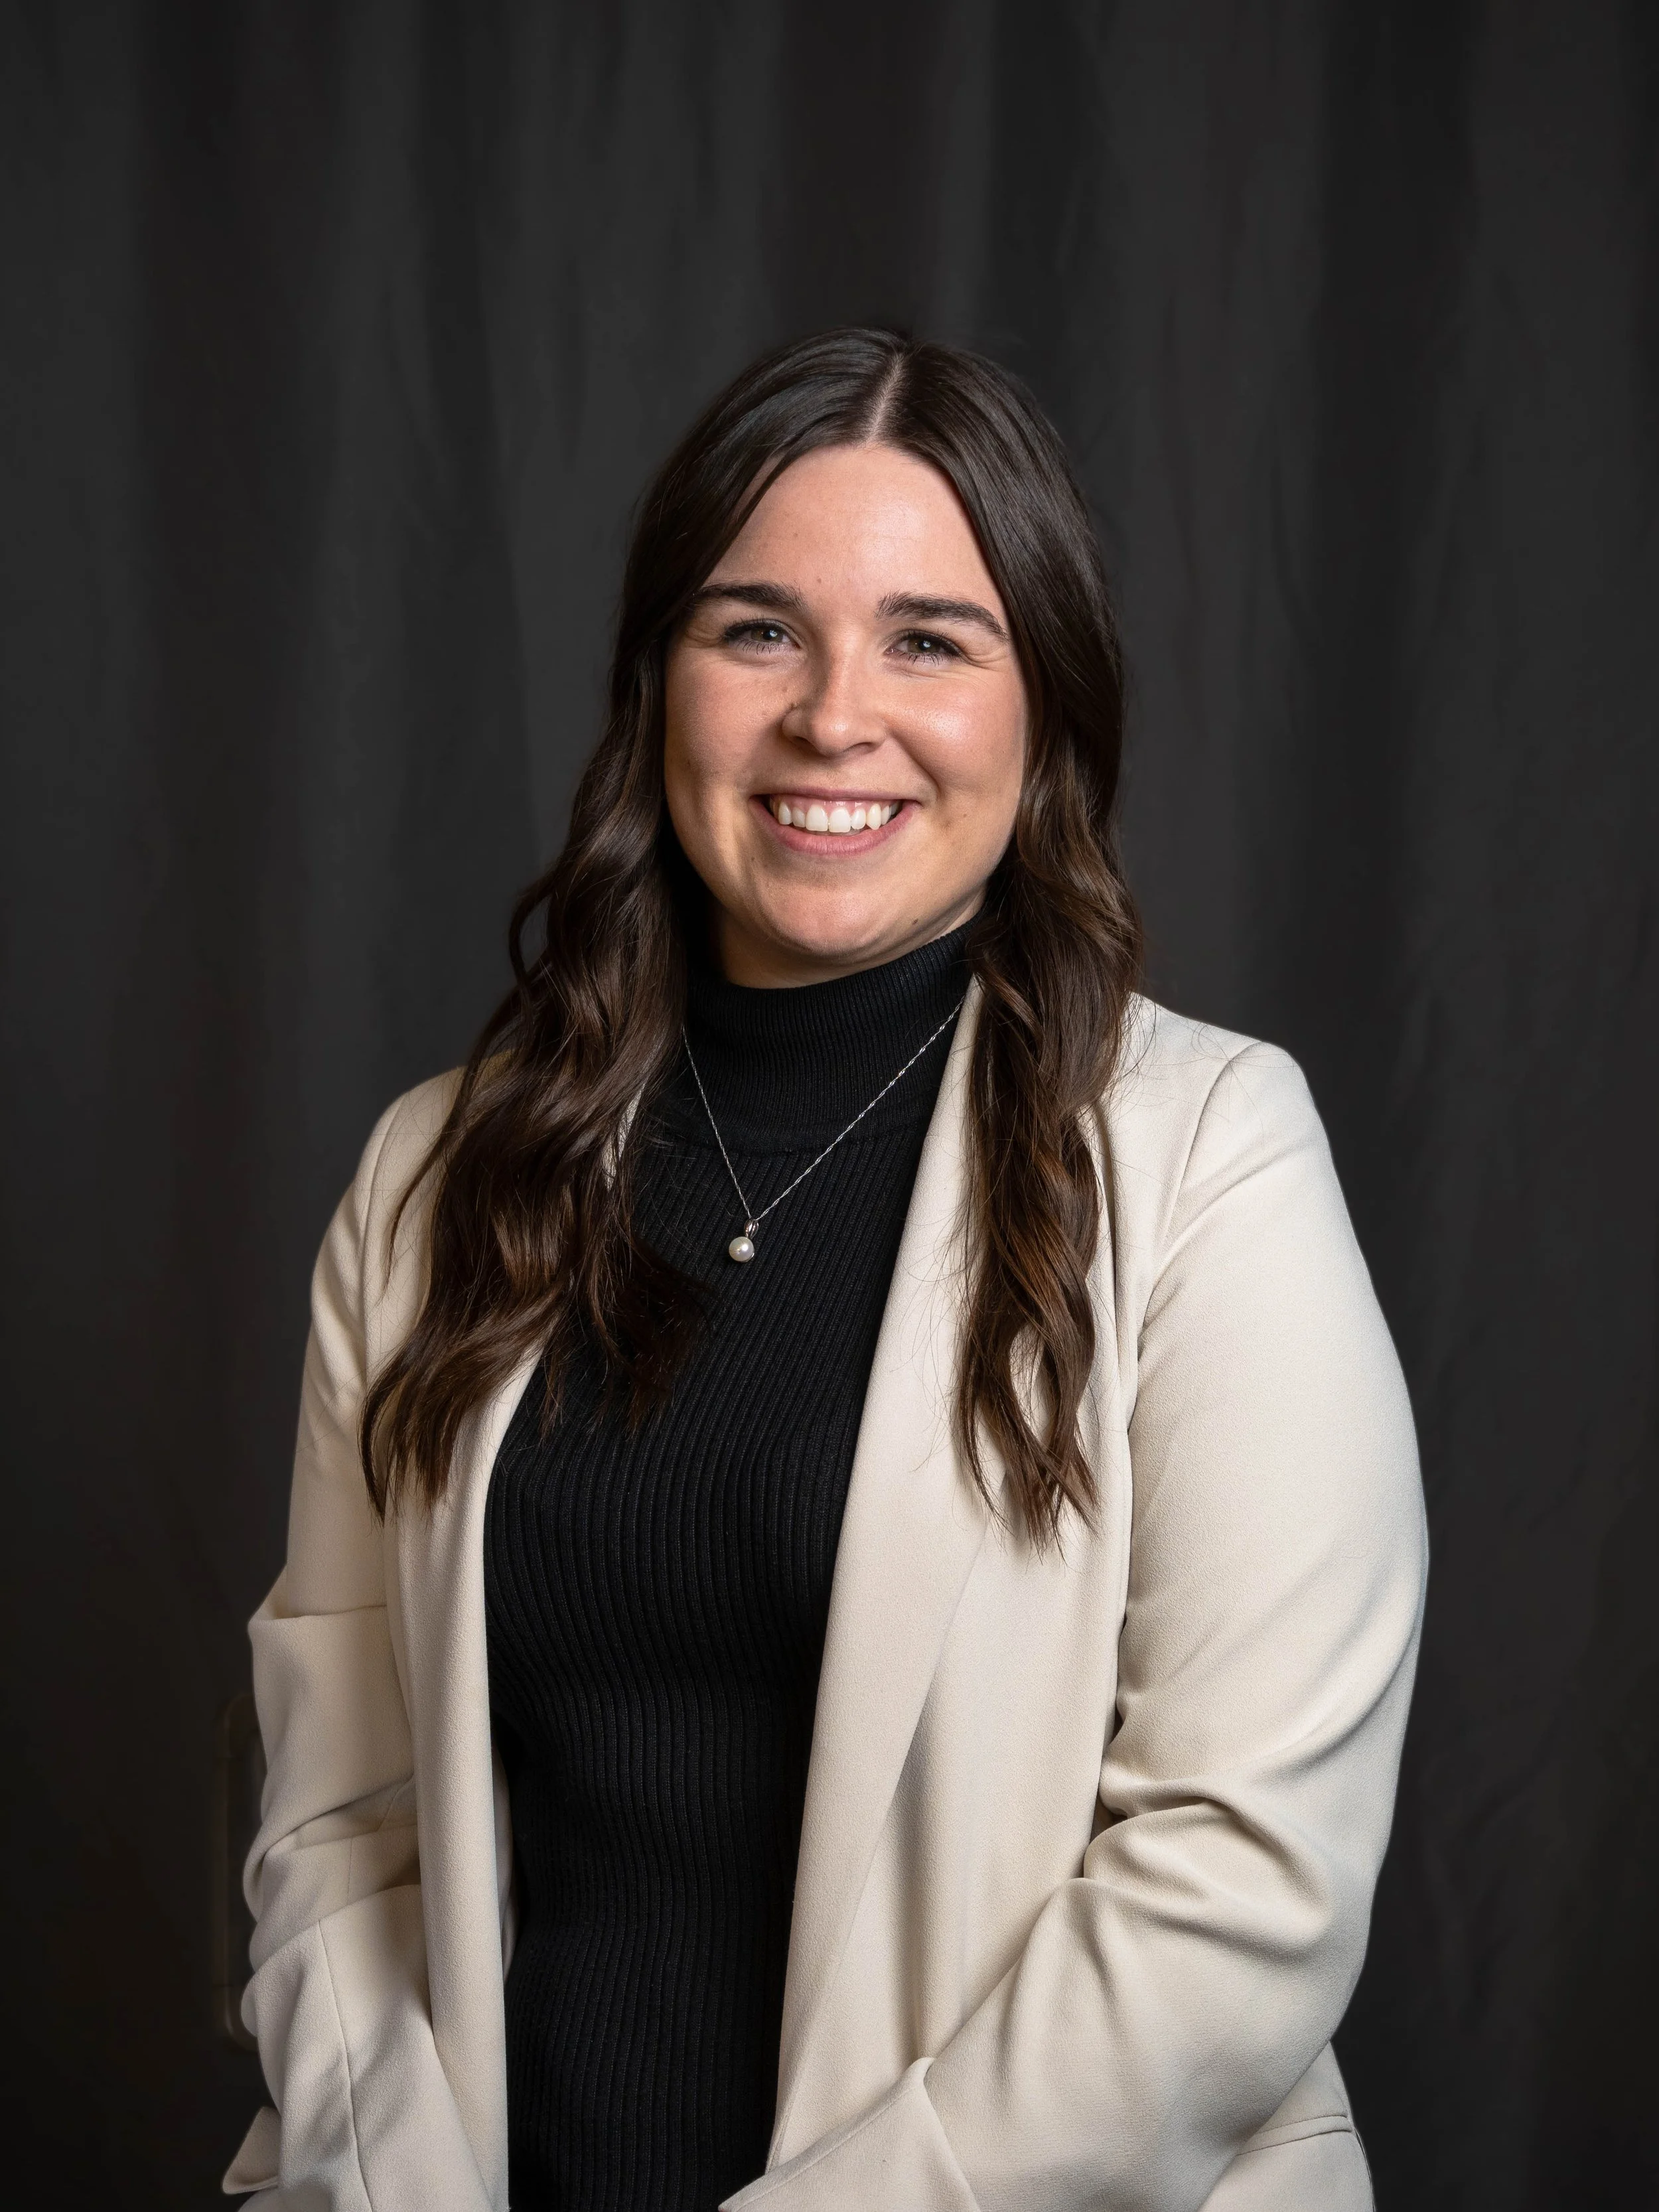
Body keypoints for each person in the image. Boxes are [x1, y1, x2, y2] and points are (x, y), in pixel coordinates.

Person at [224, 328, 1426, 2212]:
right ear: (658, 685)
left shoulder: (1208, 1157)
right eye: (756, 629)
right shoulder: (434, 1174)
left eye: (931, 639)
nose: (831, 715)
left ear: (1044, 713)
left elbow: (1242, 1875)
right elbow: (341, 1826)